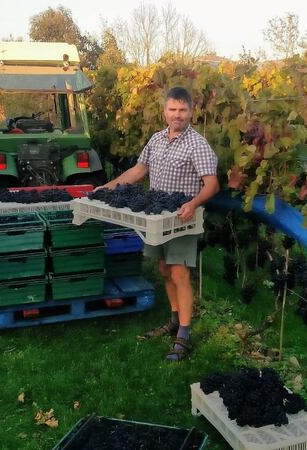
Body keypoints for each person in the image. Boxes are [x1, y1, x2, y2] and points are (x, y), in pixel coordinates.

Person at [98, 87, 219, 361]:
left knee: (179, 273)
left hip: (181, 220)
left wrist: (193, 203)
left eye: (183, 110)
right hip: (157, 220)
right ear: (165, 111)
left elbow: (212, 185)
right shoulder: (156, 140)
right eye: (173, 110)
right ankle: (174, 319)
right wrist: (106, 187)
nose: (177, 115)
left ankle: (184, 336)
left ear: (191, 112)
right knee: (164, 269)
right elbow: (139, 171)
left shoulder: (198, 145)